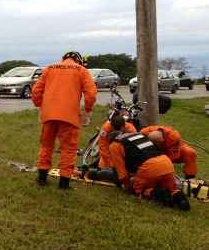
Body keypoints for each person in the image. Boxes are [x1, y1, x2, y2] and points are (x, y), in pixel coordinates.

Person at [31, 51, 97, 189]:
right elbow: (91, 94)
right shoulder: (81, 70)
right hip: (69, 116)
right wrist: (87, 110)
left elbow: (36, 90)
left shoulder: (50, 68)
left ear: (64, 58)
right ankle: (64, 183)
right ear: (78, 60)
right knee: (68, 149)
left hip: (48, 115)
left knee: (46, 146)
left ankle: (42, 178)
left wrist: (40, 105)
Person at [109, 131, 190, 210]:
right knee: (172, 188)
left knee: (138, 189)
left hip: (149, 168)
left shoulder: (115, 144)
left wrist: (127, 185)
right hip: (167, 164)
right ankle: (181, 200)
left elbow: (122, 174)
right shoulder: (139, 135)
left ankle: (157, 194)